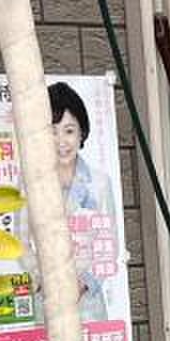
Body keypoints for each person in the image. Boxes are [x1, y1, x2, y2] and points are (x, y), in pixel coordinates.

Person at [46, 82, 117, 322]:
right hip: (47, 306)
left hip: (89, 308)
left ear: (81, 133)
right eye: (52, 131)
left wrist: (82, 285)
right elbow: (21, 243)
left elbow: (108, 248)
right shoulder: (31, 185)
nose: (60, 141)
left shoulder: (98, 183)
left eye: (68, 130)